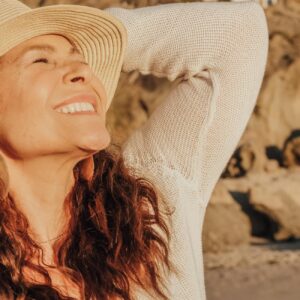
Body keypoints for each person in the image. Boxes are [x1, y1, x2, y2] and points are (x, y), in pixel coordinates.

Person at [0, 0, 269, 299]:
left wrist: (103, 35)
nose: (82, 71)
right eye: (41, 61)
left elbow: (237, 33)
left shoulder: (148, 211)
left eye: (83, 60)